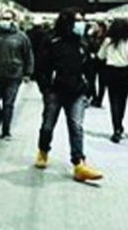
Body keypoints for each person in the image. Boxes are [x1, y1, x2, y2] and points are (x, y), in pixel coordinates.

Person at [32, 9, 103, 181]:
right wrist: (45, 88)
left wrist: (90, 89)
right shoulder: (52, 41)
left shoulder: (82, 43)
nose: (81, 24)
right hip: (55, 91)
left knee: (76, 127)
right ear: (67, 22)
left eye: (82, 20)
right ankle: (43, 150)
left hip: (77, 91)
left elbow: (88, 67)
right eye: (77, 20)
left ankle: (79, 163)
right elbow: (41, 66)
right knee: (48, 125)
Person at [0, 12, 33, 139]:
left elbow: (28, 56)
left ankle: (6, 131)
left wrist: (28, 73)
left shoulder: (21, 37)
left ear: (13, 20)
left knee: (8, 103)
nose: (5, 20)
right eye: (3, 18)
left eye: (8, 18)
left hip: (14, 75)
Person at [97, 17, 128, 142]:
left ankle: (116, 128)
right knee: (122, 100)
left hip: (111, 72)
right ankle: (119, 125)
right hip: (125, 73)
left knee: (113, 100)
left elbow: (100, 56)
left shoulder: (108, 41)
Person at [83, 20, 107, 107]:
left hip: (103, 61)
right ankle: (94, 97)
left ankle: (99, 100)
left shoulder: (105, 38)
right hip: (92, 61)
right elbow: (88, 45)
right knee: (91, 79)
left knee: (102, 82)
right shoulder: (92, 36)